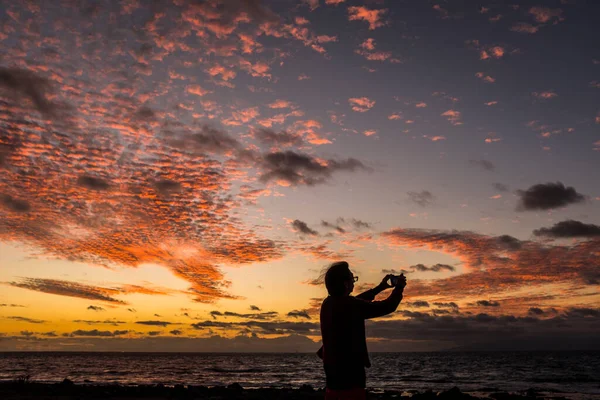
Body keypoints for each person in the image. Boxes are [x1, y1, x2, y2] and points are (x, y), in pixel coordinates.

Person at [318, 261, 406, 400]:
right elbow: (387, 306)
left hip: (333, 379)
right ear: (345, 283)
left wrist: (380, 288)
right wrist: (399, 287)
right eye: (352, 279)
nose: (354, 282)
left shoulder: (328, 303)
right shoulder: (349, 305)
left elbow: (357, 301)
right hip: (351, 379)